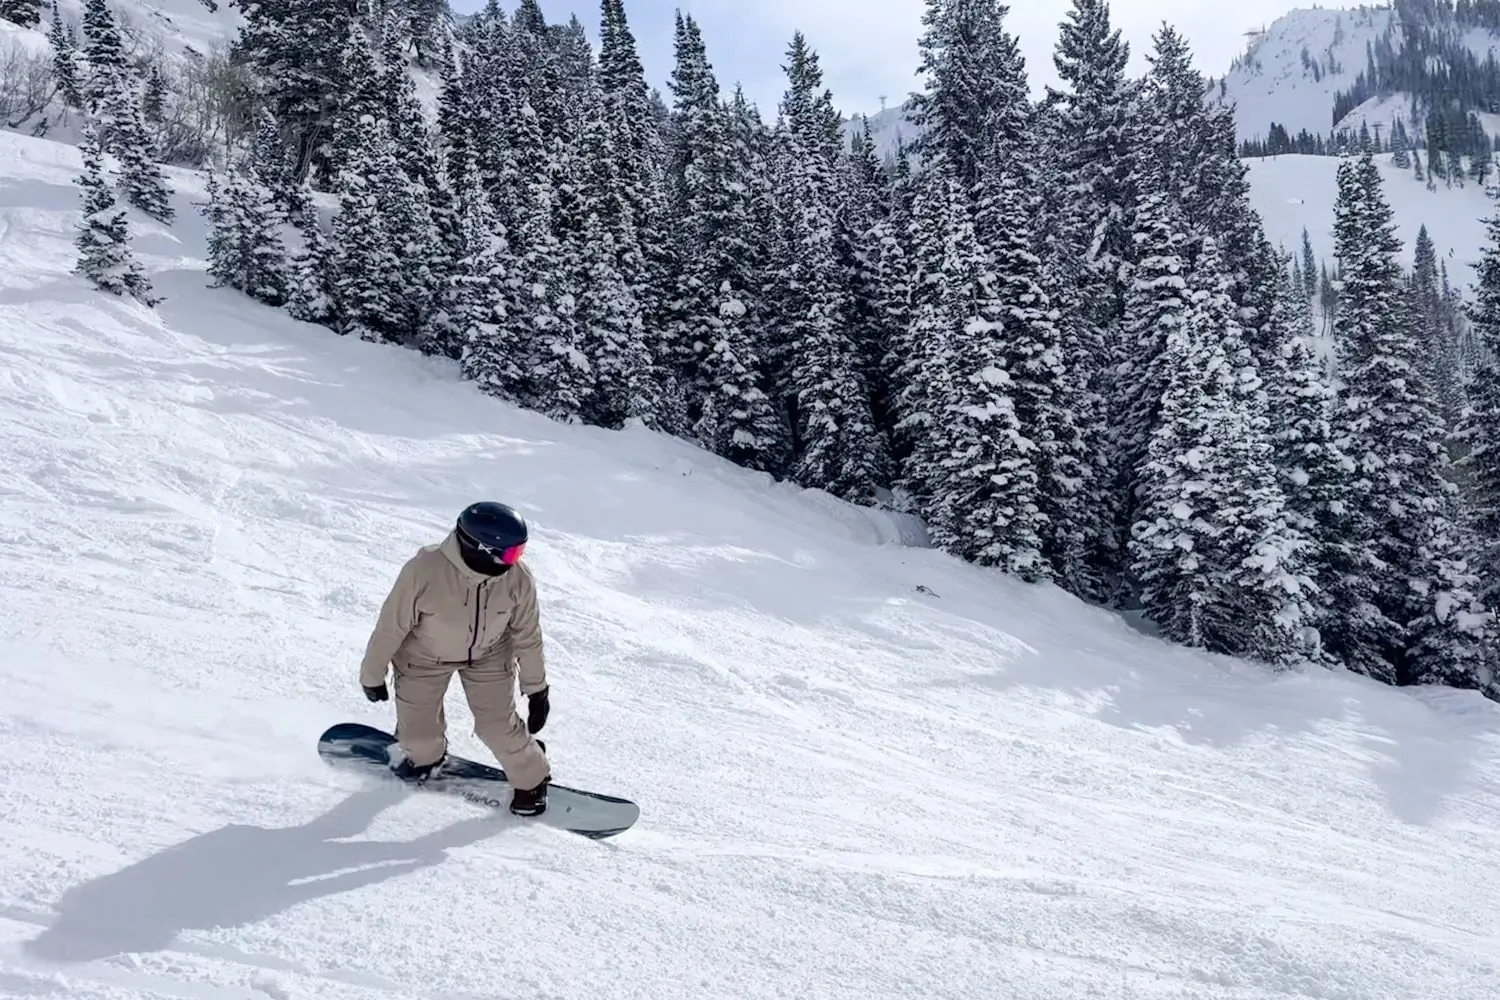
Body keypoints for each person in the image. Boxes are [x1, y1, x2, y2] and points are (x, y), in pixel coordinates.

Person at [358, 501, 552, 816]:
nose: (516, 561)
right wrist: (372, 675)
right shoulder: (424, 570)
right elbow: (390, 627)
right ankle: (426, 756)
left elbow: (528, 635)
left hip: (489, 656)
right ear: (481, 549)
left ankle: (531, 777)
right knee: (419, 743)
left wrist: (537, 689)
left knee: (497, 727)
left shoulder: (518, 579)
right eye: (511, 554)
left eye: (520, 552)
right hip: (423, 657)